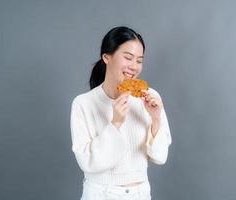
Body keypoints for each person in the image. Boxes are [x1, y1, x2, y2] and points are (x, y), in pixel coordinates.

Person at [70, 26, 172, 200]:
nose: (134, 66)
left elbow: (160, 157)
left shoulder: (150, 97)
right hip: (100, 194)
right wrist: (115, 123)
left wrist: (156, 119)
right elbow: (87, 162)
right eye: (128, 58)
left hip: (141, 194)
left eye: (139, 60)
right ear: (106, 57)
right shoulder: (83, 103)